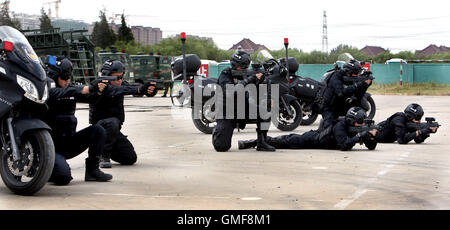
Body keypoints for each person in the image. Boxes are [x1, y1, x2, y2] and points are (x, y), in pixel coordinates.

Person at [44, 56, 112, 185]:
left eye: (69, 77)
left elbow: (88, 98)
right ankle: (41, 169)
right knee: (63, 177)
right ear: (54, 75)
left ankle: (92, 170)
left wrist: (98, 91)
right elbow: (59, 93)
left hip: (68, 142)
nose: (67, 80)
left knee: (98, 130)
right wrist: (88, 88)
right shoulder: (45, 91)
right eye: (64, 77)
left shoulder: (69, 89)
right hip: (49, 147)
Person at [89, 60, 156, 168]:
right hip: (99, 129)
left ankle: (102, 148)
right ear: (107, 76)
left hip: (112, 131)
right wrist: (139, 89)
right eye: (117, 78)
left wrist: (147, 89)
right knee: (112, 122)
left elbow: (130, 88)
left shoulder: (120, 84)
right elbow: (116, 90)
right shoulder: (99, 85)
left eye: (121, 77)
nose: (120, 80)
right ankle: (102, 154)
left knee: (129, 158)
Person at [212, 49, 275, 152]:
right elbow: (232, 91)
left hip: (244, 108)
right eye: (243, 66)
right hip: (227, 112)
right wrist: (249, 80)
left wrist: (261, 81)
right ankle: (218, 130)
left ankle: (261, 142)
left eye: (246, 66)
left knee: (264, 111)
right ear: (236, 65)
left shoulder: (246, 74)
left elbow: (257, 91)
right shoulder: (226, 74)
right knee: (221, 147)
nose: (245, 69)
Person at [239, 107, 378, 151]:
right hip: (310, 140)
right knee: (283, 141)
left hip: (316, 139)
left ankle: (256, 142)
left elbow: (371, 146)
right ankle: (252, 142)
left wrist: (370, 136)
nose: (362, 125)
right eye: (360, 123)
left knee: (285, 140)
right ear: (352, 121)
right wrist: (359, 137)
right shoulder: (340, 126)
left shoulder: (354, 128)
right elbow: (344, 145)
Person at [321, 59, 372, 130]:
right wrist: (356, 85)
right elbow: (340, 93)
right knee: (328, 130)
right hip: (329, 108)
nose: (357, 75)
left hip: (341, 106)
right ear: (349, 72)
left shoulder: (349, 78)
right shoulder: (336, 77)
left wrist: (365, 85)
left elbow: (358, 96)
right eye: (356, 72)